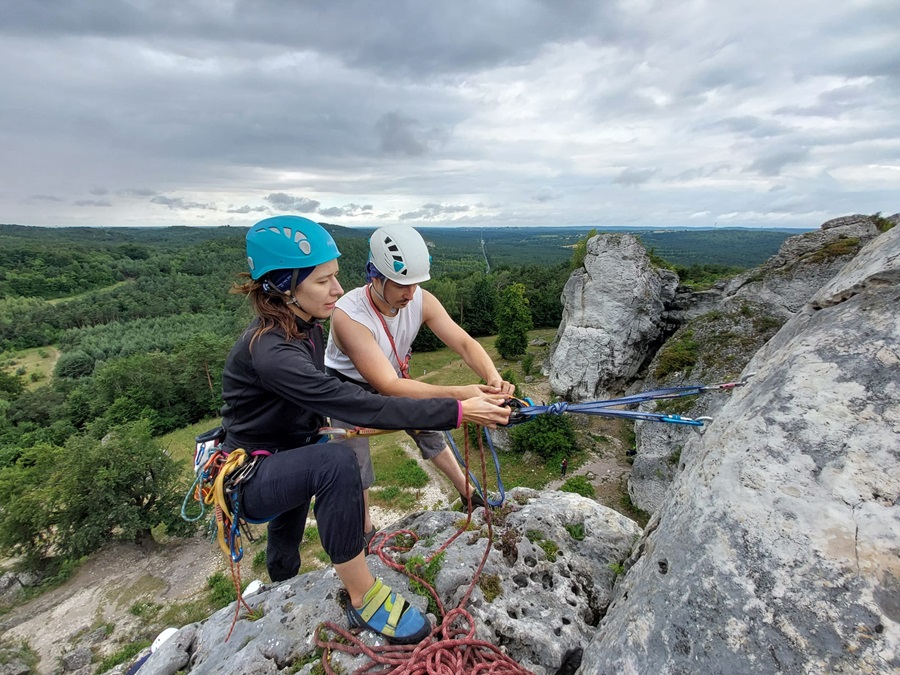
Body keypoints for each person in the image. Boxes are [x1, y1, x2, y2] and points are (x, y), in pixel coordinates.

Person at [218, 215, 510, 645]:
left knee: (289, 534)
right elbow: (358, 400)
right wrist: (458, 410)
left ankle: (282, 588)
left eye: (336, 278)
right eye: (323, 281)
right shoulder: (271, 351)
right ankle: (361, 597)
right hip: (251, 477)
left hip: (286, 454)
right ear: (284, 285)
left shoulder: (303, 328)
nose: (338, 290)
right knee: (336, 464)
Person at [324, 224, 515, 543]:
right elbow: (388, 386)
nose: (410, 293)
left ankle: (470, 494)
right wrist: (462, 396)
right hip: (346, 389)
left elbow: (465, 344)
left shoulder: (419, 300)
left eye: (414, 284)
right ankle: (364, 531)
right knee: (353, 461)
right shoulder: (349, 316)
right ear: (375, 275)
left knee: (430, 429)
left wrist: (492, 377)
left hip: (390, 378)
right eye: (401, 284)